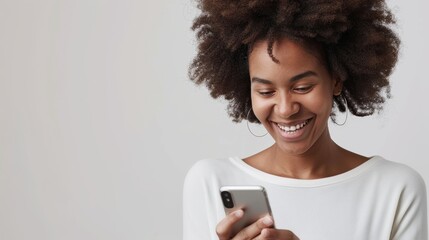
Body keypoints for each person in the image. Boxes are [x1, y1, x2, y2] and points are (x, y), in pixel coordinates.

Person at [183, 0, 428, 239]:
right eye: (266, 92)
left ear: (336, 80)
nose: (286, 109)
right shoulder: (210, 182)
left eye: (302, 87)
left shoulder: (396, 189)